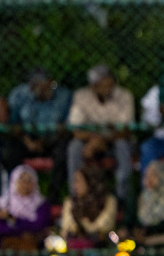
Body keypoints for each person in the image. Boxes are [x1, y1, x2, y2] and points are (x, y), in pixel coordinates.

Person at [67, 64, 135, 202]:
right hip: (89, 144)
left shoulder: (124, 96)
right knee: (74, 147)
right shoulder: (81, 96)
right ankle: (76, 197)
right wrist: (94, 140)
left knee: (123, 146)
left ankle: (123, 199)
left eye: (107, 79)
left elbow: (125, 130)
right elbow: (75, 129)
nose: (105, 84)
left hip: (115, 141)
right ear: (92, 85)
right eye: (100, 82)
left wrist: (101, 140)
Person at [4, 69, 73, 198]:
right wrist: (27, 141)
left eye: (47, 84)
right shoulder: (19, 94)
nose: (45, 89)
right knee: (10, 152)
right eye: (37, 86)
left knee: (64, 151)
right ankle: (14, 196)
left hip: (53, 139)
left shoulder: (64, 96)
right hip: (26, 138)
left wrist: (46, 141)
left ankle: (52, 197)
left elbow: (67, 127)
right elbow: (12, 125)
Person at [54, 167, 116, 256]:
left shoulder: (108, 201)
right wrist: (84, 225)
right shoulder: (70, 201)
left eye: (78, 181)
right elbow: (67, 227)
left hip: (99, 249)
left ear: (90, 181)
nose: (75, 185)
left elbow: (103, 227)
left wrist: (83, 223)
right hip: (75, 249)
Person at [1, 165, 52, 245]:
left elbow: (38, 226)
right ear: (14, 181)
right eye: (21, 179)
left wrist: (12, 218)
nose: (25, 184)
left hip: (33, 245)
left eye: (29, 180)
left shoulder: (41, 204)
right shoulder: (4, 203)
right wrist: (21, 229)